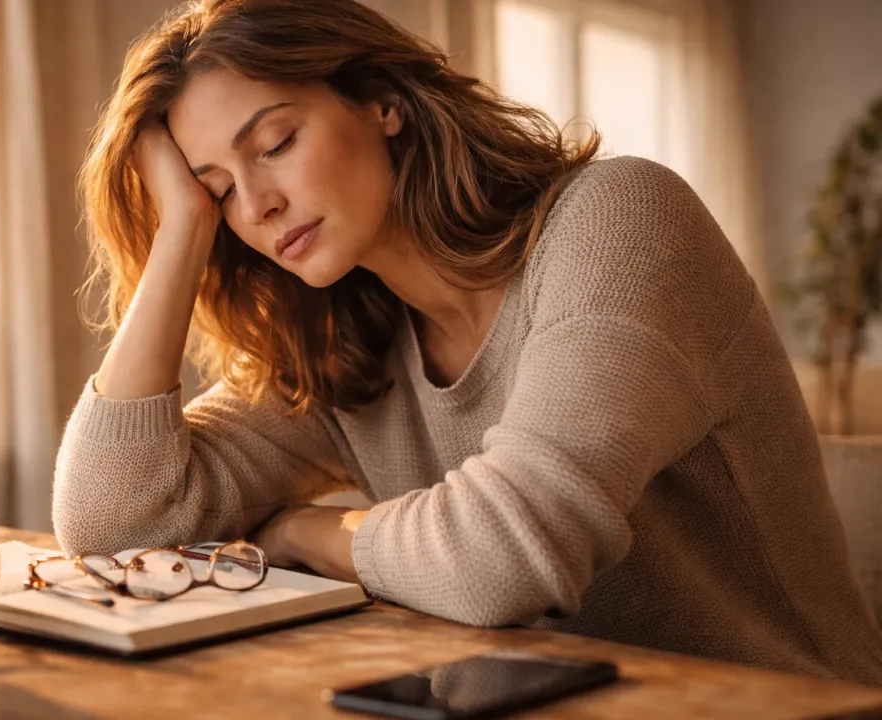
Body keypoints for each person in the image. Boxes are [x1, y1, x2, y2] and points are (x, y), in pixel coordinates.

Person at [53, 0, 882, 686]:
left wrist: (296, 534)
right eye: (219, 190)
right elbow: (113, 523)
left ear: (384, 101)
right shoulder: (347, 335)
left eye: (275, 145)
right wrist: (179, 242)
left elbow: (502, 558)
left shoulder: (619, 224)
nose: (257, 206)